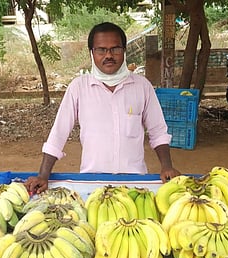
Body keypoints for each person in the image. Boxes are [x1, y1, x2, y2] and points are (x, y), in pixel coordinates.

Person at [24, 22, 181, 194]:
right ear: (91, 53)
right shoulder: (79, 87)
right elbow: (58, 134)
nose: (109, 55)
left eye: (115, 49)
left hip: (135, 183)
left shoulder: (142, 86)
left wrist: (167, 167)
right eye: (101, 50)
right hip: (91, 183)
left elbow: (158, 131)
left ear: (124, 51)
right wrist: (43, 175)